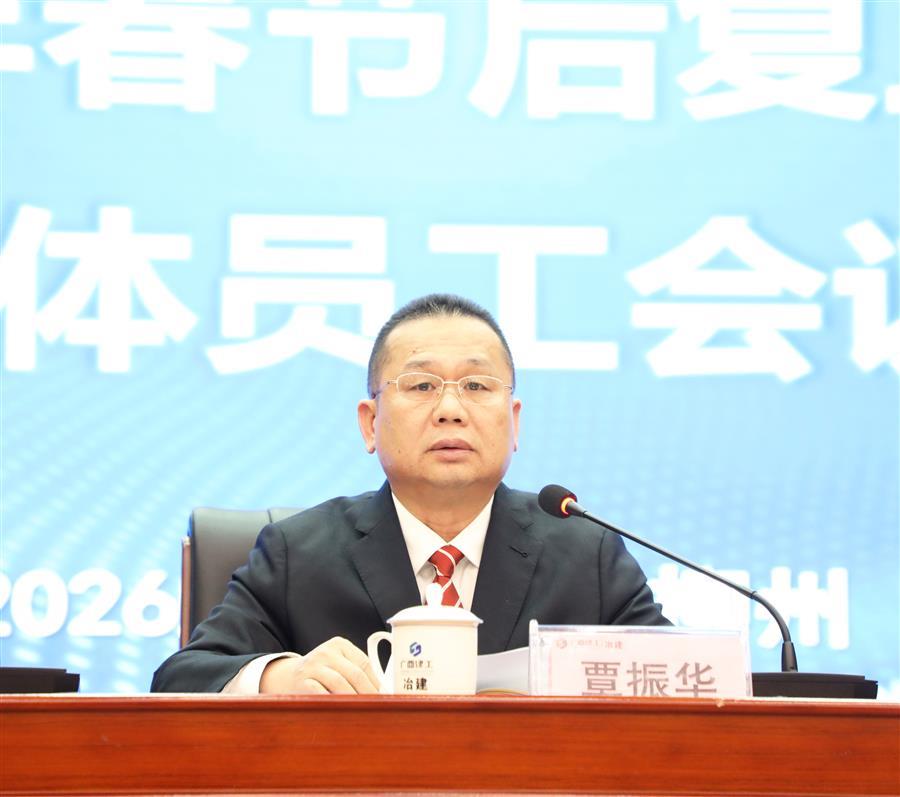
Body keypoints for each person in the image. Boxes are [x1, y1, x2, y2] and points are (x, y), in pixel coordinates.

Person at [151, 294, 668, 694]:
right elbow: (182, 678)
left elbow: (681, 682)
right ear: (370, 423)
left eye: (477, 386)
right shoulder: (297, 554)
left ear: (514, 422)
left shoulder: (588, 555)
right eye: (421, 386)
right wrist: (280, 677)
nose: (450, 410)